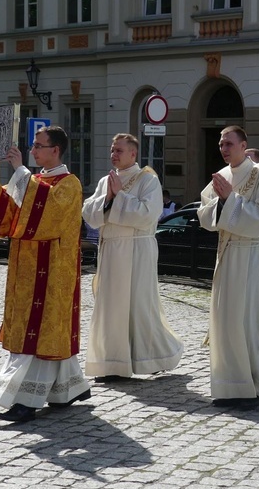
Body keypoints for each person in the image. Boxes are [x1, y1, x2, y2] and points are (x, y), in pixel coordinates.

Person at [0, 126, 90, 422]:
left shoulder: (70, 184)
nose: (33, 151)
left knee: (39, 333)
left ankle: (25, 400)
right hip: (24, 270)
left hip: (52, 272)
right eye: (33, 146)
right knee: (42, 332)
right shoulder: (32, 180)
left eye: (39, 146)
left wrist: (19, 170)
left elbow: (48, 213)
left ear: (56, 150)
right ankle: (66, 389)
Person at [197, 125, 259, 409]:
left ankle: (254, 387)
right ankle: (228, 387)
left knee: (249, 322)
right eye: (221, 144)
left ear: (243, 145)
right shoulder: (221, 177)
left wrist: (230, 200)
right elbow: (204, 214)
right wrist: (222, 202)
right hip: (227, 256)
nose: (224, 149)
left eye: (229, 143)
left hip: (252, 256)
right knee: (226, 322)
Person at [82, 133, 184, 383]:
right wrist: (108, 197)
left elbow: (148, 215)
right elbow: (88, 212)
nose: (113, 154)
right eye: (112, 149)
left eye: (119, 150)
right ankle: (112, 363)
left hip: (137, 251)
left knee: (138, 307)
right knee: (111, 309)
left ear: (133, 154)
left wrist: (118, 197)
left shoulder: (147, 180)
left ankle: (156, 355)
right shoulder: (108, 180)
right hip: (111, 252)